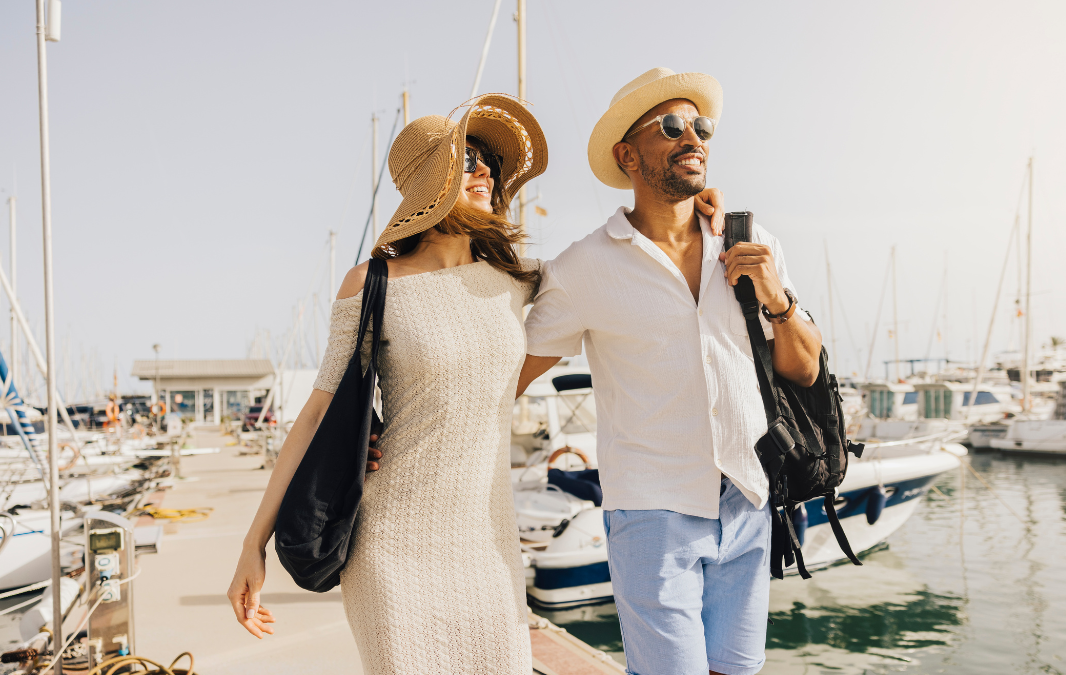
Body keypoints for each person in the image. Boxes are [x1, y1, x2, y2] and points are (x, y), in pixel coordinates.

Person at [227, 93, 728, 674]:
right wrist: (251, 545)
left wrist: (698, 212)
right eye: (466, 160)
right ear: (429, 182)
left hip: (489, 544)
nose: (484, 170)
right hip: (391, 544)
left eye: (487, 160)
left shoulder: (517, 280)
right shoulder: (371, 283)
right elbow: (315, 415)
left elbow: (624, 257)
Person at [518, 68, 823, 675]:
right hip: (652, 511)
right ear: (628, 155)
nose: (694, 137)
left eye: (701, 125)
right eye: (672, 126)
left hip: (747, 496)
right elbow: (508, 376)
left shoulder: (748, 240)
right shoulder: (584, 268)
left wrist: (775, 297)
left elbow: (806, 368)